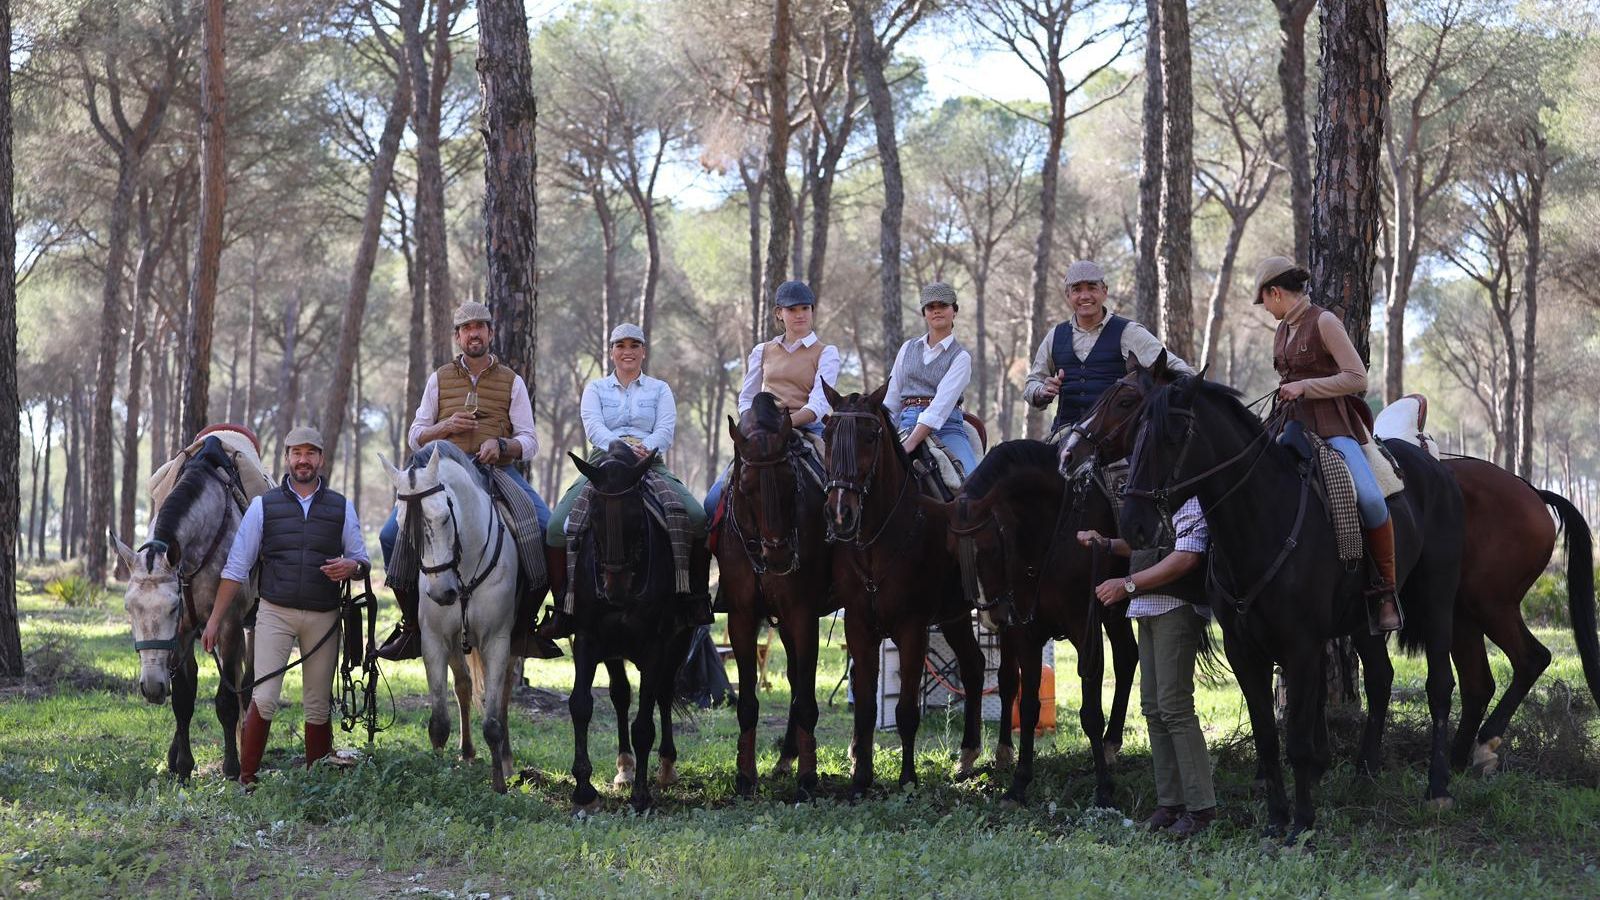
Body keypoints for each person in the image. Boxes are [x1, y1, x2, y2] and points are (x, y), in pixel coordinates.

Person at [376, 301, 557, 661]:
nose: (474, 333)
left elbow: (531, 441)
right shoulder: (439, 378)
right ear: (458, 337)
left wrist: (501, 444)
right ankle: (412, 626)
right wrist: (445, 428)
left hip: (496, 472)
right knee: (390, 535)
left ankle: (525, 626)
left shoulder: (512, 381)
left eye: (480, 326)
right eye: (466, 328)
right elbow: (416, 436)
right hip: (443, 477)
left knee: (545, 528)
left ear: (490, 333)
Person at [201, 427, 370, 788]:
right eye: (296, 452)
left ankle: (316, 781)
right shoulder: (264, 506)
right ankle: (247, 779)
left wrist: (352, 567)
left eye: (310, 453)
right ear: (287, 458)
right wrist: (214, 621)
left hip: (324, 617)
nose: (303, 460)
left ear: (321, 459)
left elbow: (362, 558)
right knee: (263, 696)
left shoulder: (342, 507)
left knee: (317, 702)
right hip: (274, 613)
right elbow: (236, 568)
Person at [537, 323, 711, 638]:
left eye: (634, 346)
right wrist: (621, 446)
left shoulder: (660, 389)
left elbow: (666, 428)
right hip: (604, 465)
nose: (627, 352)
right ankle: (565, 607)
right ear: (612, 352)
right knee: (555, 527)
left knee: (697, 518)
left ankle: (694, 599)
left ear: (643, 351)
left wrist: (646, 448)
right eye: (621, 346)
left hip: (648, 464)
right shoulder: (595, 389)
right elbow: (593, 427)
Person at [1255, 255, 1401, 631]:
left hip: (1333, 427)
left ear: (1275, 293)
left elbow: (1357, 378)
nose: (1265, 309)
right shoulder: (1282, 329)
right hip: (1289, 426)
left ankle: (1385, 590)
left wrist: (1306, 386)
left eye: (1265, 301)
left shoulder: (1325, 321)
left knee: (1369, 497)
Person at [1078, 496, 1216, 838]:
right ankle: (1171, 804)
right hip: (1148, 607)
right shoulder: (1158, 494)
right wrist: (1108, 544)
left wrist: (1126, 586)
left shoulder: (1192, 499)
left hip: (1176, 607)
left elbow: (1186, 557)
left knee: (1174, 708)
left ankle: (1200, 810)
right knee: (1153, 709)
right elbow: (1150, 542)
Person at [703, 280, 841, 517]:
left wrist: (785, 425)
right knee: (713, 500)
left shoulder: (826, 352)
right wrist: (754, 423)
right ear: (779, 314)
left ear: (812, 311)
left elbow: (819, 404)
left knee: (834, 494)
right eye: (792, 309)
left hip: (808, 429)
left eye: (805, 308)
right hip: (764, 430)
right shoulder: (762, 351)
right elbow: (747, 398)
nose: (800, 315)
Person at [1023, 260, 1195, 437]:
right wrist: (1041, 391)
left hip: (1115, 443)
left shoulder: (1129, 332)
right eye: (1077, 290)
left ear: (1104, 292)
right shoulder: (1055, 336)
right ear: (1068, 295)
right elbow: (1032, 384)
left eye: (1092, 288)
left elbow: (1178, 370)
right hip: (1064, 438)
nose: (1084, 296)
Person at [883, 282, 977, 478]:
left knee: (972, 483)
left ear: (954, 311)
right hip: (906, 422)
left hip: (946, 427)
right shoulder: (907, 348)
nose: (936, 311)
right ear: (924, 313)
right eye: (930, 307)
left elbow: (940, 407)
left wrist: (910, 443)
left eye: (942, 306)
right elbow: (891, 398)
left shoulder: (961, 357)